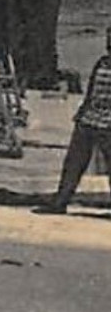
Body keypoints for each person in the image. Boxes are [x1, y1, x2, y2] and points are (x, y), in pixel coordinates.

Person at [35, 26, 111, 214]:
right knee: (73, 163)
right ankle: (60, 203)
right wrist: (82, 113)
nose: (108, 43)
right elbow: (92, 91)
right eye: (108, 38)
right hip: (89, 119)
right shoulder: (102, 63)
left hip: (108, 124)